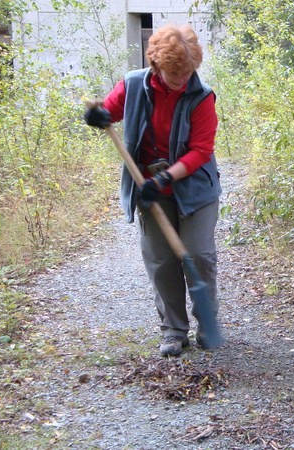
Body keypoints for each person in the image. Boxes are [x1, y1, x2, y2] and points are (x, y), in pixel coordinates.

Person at [84, 24, 221, 357]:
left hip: (195, 188)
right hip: (149, 187)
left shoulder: (201, 97)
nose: (181, 79)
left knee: (198, 254)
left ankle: (207, 322)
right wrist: (96, 115)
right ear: (157, 66)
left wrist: (165, 178)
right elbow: (109, 111)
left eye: (187, 72)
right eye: (174, 73)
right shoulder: (133, 85)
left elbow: (201, 150)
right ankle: (174, 330)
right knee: (161, 261)